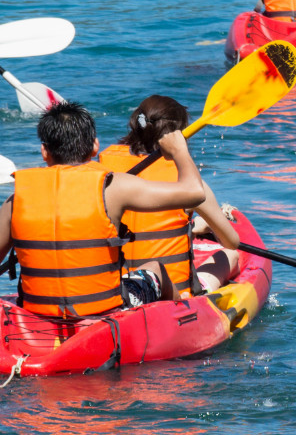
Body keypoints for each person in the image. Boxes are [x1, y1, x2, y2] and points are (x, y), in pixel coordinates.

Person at [0, 102, 206, 317]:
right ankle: (183, 319)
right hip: (104, 308)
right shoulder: (113, 186)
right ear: (94, 146)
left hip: (39, 311)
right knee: (155, 269)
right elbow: (195, 192)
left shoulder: (16, 200)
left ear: (44, 152)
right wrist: (179, 150)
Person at [98, 96, 242, 295]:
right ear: (179, 137)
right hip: (171, 293)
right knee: (231, 255)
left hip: (119, 287)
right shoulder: (190, 185)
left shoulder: (103, 175)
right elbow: (231, 241)